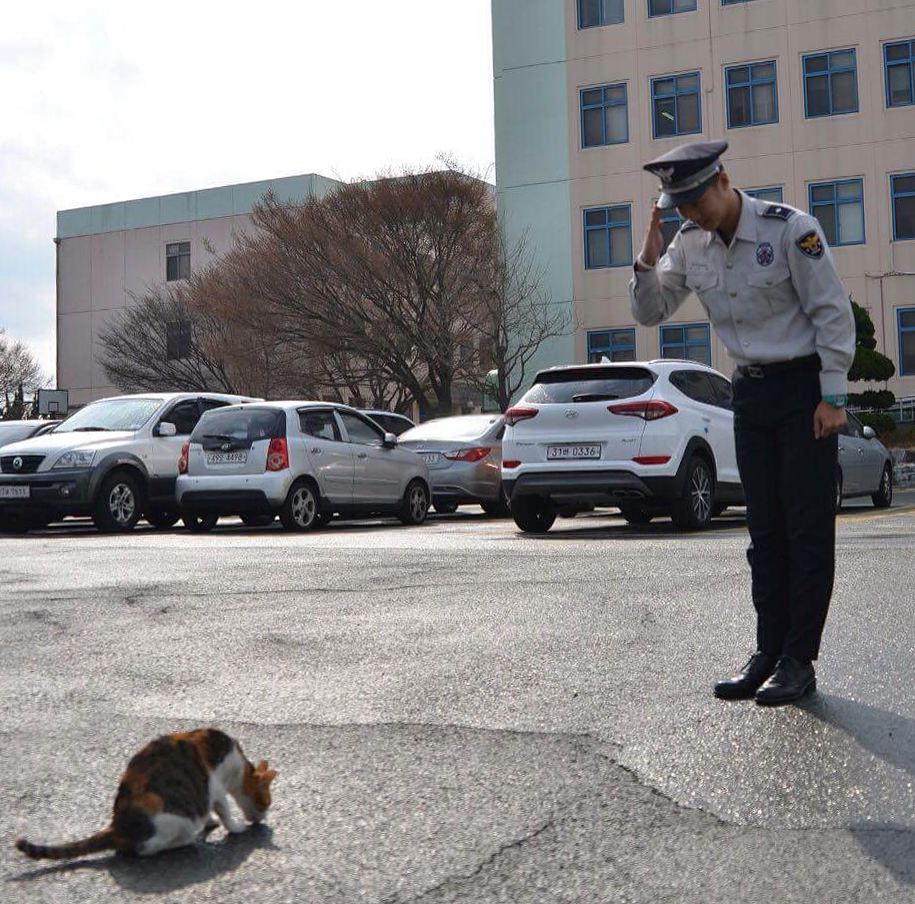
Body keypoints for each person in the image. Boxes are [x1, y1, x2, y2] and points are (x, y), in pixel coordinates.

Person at [628, 140, 855, 706]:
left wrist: (833, 394)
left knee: (806, 529)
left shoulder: (789, 230)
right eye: (679, 205)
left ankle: (799, 659)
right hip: (749, 395)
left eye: (697, 199)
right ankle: (767, 651)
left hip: (804, 391)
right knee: (764, 532)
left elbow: (831, 309)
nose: (691, 213)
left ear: (723, 181)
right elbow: (651, 312)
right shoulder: (688, 245)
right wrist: (646, 262)